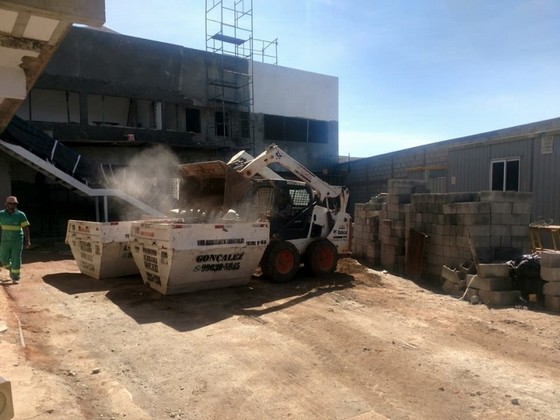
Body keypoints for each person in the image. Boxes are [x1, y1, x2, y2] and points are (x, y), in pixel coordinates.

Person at [0, 196, 31, 284]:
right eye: (10, 203)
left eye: (14, 203)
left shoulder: (21, 215)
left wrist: (27, 241)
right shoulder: (1, 214)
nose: (12, 205)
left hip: (17, 241)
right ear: (6, 204)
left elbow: (25, 228)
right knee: (3, 259)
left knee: (16, 258)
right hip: (5, 241)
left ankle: (15, 277)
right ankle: (11, 269)